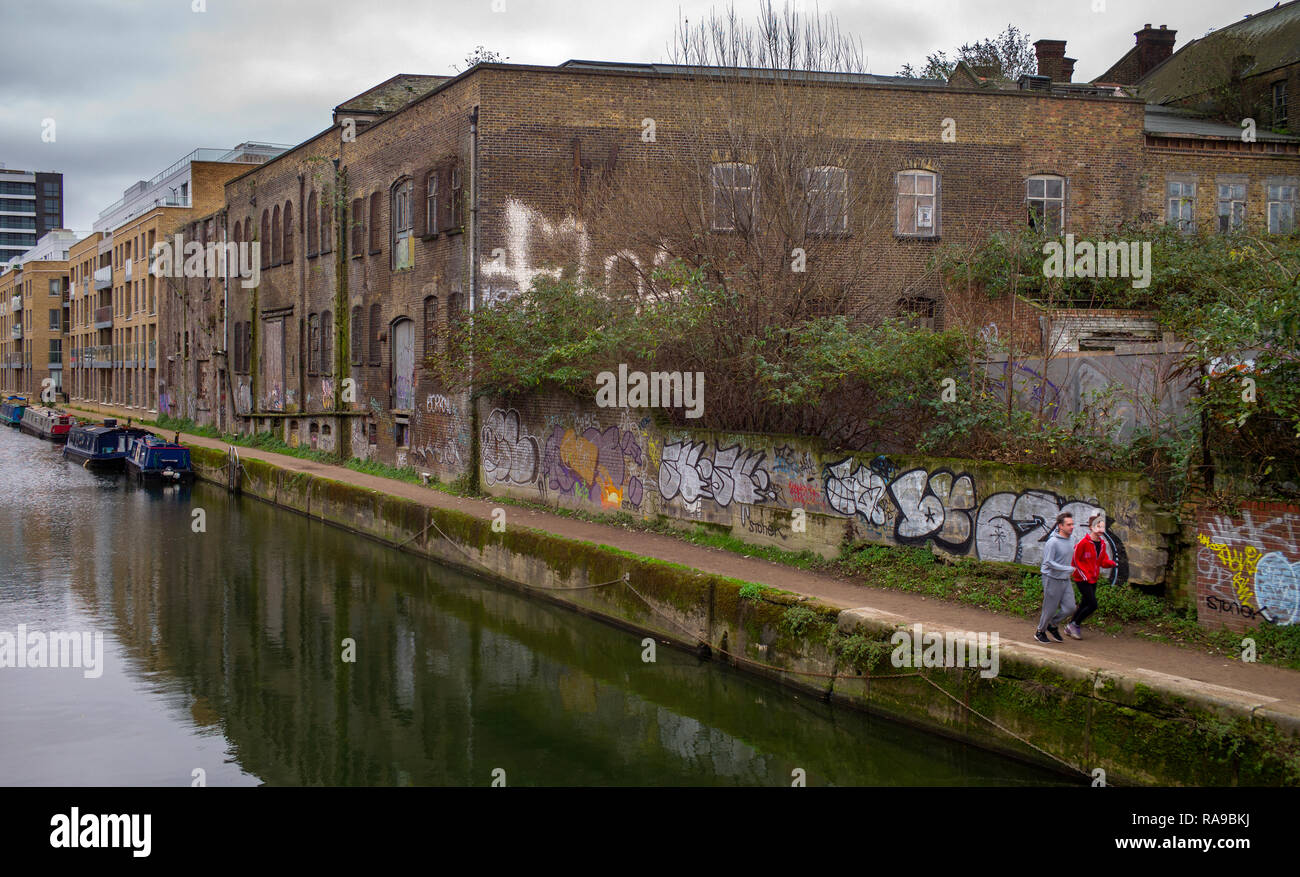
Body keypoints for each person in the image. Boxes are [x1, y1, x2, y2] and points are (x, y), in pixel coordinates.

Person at [1066, 511, 1117, 640]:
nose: (1100, 530)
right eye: (1098, 527)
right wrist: (1084, 575)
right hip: (1081, 578)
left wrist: (1112, 564)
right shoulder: (1083, 543)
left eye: (1102, 527)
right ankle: (1075, 624)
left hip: (1093, 578)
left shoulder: (1103, 544)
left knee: (1084, 603)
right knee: (1093, 604)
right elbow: (1075, 561)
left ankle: (1070, 626)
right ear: (1091, 527)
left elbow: (1102, 561)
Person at [1035, 512, 1077, 643]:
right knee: (1050, 609)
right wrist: (1068, 568)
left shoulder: (1072, 539)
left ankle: (1052, 625)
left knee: (1070, 607)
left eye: (1072, 524)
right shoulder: (1052, 542)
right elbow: (1048, 562)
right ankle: (1040, 631)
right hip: (1051, 578)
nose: (1072, 527)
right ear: (1060, 526)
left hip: (1065, 579)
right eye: (1069, 524)